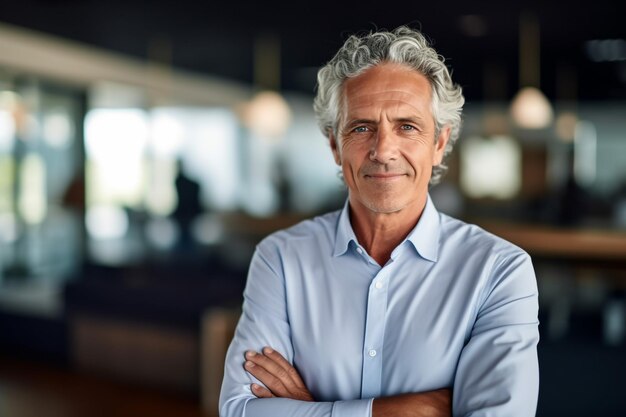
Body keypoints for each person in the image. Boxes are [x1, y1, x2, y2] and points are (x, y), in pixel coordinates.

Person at [219, 26, 539, 417]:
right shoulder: (280, 258)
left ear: (439, 143)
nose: (384, 150)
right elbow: (239, 409)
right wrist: (402, 410)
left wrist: (313, 409)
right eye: (361, 127)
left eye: (407, 126)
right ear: (335, 145)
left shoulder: (500, 271)